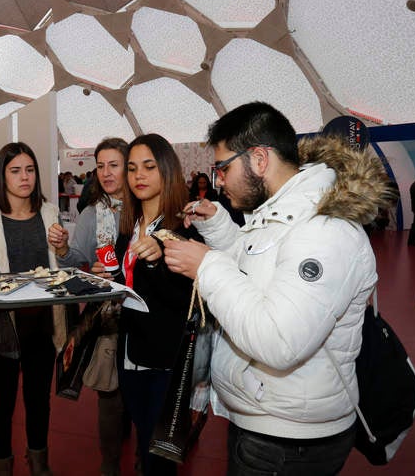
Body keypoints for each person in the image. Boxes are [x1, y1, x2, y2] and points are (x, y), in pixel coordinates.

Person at [162, 102, 395, 475]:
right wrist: (219, 226)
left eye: (224, 168)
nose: (218, 180)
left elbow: (279, 341)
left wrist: (206, 266)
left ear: (258, 158)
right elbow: (262, 266)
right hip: (269, 420)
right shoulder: (287, 211)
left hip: (289, 442)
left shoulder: (325, 230)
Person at [0, 142, 72, 476]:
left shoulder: (48, 212)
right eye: (15, 170)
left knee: (39, 400)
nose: (24, 178)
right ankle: (1, 467)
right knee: (2, 403)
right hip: (0, 327)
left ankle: (39, 464)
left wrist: (63, 249)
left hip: (42, 325)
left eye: (30, 170)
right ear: (1, 175)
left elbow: (66, 265)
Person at [113, 133, 201, 476]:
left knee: (158, 455)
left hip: (166, 359)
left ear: (166, 170)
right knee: (142, 440)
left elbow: (189, 299)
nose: (139, 176)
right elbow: (128, 287)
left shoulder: (185, 229)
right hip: (129, 352)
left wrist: (157, 260)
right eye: (132, 168)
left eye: (149, 166)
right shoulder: (129, 228)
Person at [47, 138, 128, 476]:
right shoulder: (94, 212)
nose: (106, 173)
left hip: (149, 314)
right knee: (109, 393)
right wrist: (64, 248)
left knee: (143, 391)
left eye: (114, 164)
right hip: (109, 314)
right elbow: (78, 258)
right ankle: (110, 464)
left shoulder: (149, 208)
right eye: (101, 165)